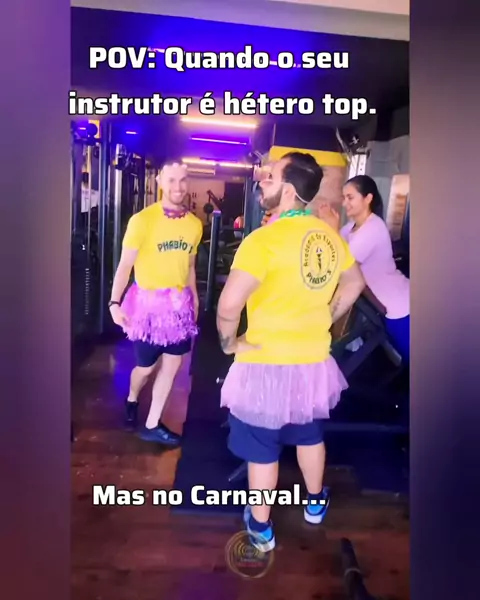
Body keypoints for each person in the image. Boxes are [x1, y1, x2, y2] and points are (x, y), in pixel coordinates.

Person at [216, 152, 365, 552]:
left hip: (265, 362)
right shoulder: (329, 237)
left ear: (289, 190)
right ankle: (315, 504)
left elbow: (229, 306)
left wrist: (230, 342)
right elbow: (354, 282)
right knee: (309, 435)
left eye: (270, 177)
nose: (262, 182)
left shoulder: (262, 240)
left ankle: (261, 527)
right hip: (312, 363)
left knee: (262, 448)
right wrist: (328, 316)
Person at [109, 160, 202, 446]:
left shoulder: (194, 224)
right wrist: (114, 303)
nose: (178, 187)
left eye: (183, 180)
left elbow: (189, 267)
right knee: (146, 368)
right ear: (160, 181)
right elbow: (125, 265)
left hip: (179, 308)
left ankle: (152, 423)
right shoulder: (142, 221)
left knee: (172, 366)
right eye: (172, 180)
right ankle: (132, 398)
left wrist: (195, 300)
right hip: (148, 308)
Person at [339, 175, 410, 363]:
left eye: (350, 197)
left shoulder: (373, 228)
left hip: (399, 306)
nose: (345, 203)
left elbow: (342, 264)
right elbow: (333, 250)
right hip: (384, 304)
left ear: (368, 198)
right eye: (344, 198)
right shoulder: (349, 228)